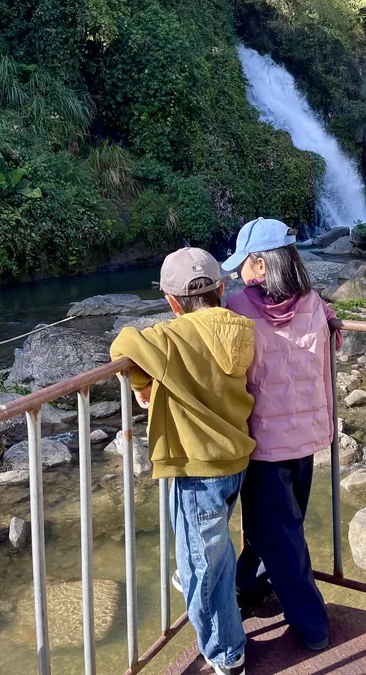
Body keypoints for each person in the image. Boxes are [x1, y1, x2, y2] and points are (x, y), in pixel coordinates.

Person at [110, 248, 255, 675]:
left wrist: (141, 386)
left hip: (195, 468)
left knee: (203, 560)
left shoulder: (172, 339)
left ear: (172, 303)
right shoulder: (242, 328)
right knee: (213, 549)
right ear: (222, 289)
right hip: (235, 460)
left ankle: (226, 653)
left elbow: (124, 341)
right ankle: (196, 580)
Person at [222, 218, 342, 651]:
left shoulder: (236, 307)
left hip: (264, 448)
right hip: (309, 439)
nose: (237, 273)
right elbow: (323, 322)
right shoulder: (312, 303)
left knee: (280, 536)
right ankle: (247, 589)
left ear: (260, 263)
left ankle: (313, 626)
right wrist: (331, 315)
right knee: (274, 528)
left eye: (243, 264)